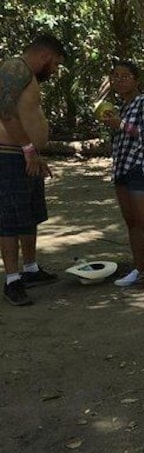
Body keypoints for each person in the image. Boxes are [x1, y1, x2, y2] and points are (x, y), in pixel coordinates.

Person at [97, 60, 144, 299]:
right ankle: (140, 270)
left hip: (141, 169)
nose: (120, 80)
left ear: (136, 79)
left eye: (125, 76)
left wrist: (121, 125)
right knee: (132, 223)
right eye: (115, 76)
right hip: (122, 169)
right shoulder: (123, 106)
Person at [0, 34, 66, 306]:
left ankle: (30, 270)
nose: (55, 70)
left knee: (30, 215)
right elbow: (4, 110)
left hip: (26, 156)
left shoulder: (26, 74)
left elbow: (25, 113)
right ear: (45, 57)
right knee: (10, 221)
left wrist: (35, 153)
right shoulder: (15, 67)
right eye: (56, 64)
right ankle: (12, 281)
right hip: (9, 156)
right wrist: (27, 148)